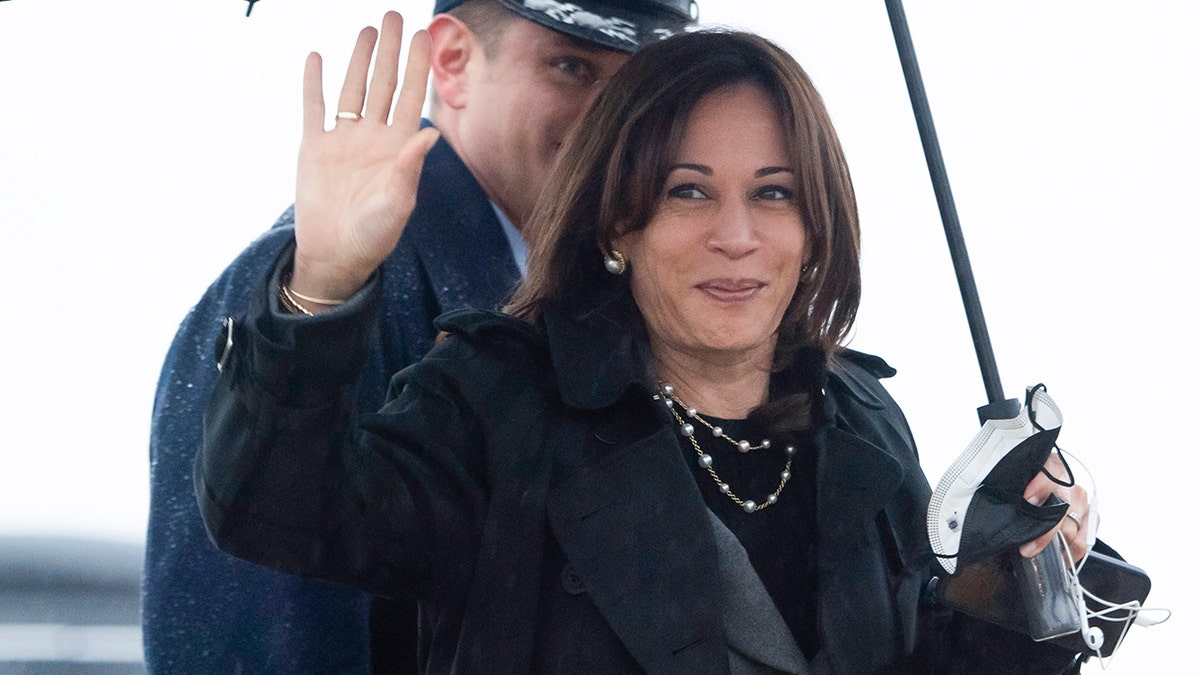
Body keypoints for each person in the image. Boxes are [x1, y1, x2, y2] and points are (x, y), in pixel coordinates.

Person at [196, 17, 1099, 673]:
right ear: (618, 221)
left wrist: (1014, 583)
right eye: (689, 192)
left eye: (775, 193)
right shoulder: (496, 400)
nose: (736, 235)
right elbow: (274, 504)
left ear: (818, 226)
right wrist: (322, 282)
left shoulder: (864, 424)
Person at [143, 2, 699, 672]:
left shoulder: (605, 300)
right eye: (571, 67)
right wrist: (318, 297)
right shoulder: (315, 295)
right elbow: (257, 637)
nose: (616, 119)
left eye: (640, 85)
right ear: (455, 64)